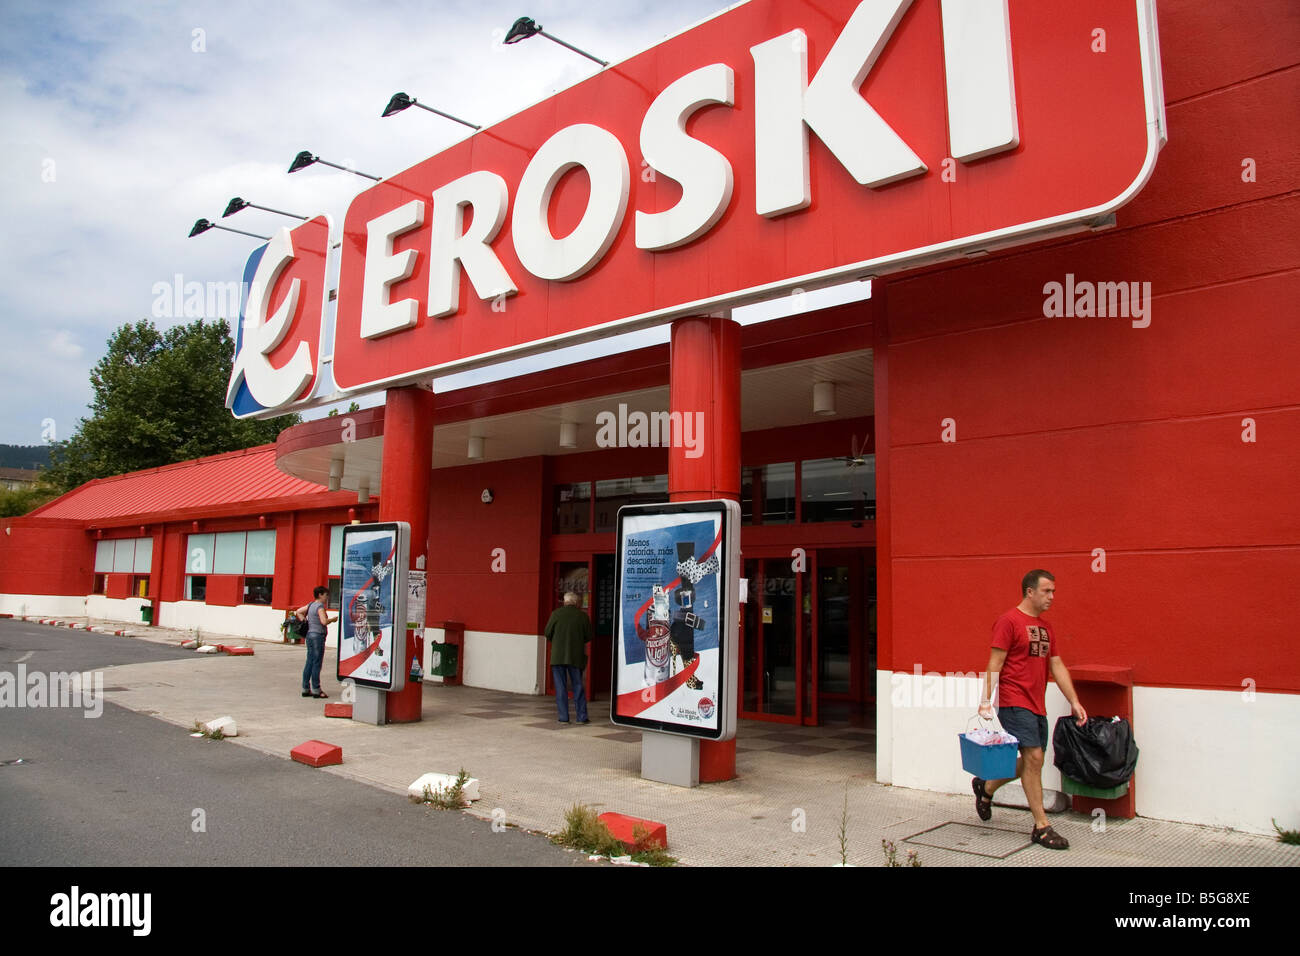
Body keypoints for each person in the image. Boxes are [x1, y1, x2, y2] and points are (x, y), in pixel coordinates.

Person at [973, 570, 1087, 850]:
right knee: (1034, 756)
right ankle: (1042, 827)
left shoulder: (1046, 628)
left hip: (1037, 704)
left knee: (1031, 762)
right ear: (1029, 592)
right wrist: (985, 700)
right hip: (1014, 700)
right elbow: (995, 663)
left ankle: (986, 787)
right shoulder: (1008, 621)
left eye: (1054, 592)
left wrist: (1074, 700)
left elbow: (1057, 665)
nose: (1052, 597)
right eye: (1047, 591)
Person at [544, 591, 591, 724]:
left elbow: (547, 632)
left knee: (560, 688)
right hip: (576, 657)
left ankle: (563, 717)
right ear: (576, 602)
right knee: (578, 686)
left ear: (564, 602)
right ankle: (582, 717)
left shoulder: (556, 614)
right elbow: (588, 636)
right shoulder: (582, 616)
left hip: (558, 656)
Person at [297, 586, 338, 699]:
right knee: (317, 663)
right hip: (318, 637)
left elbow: (298, 612)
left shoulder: (310, 605)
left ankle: (305, 688)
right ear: (320, 595)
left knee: (309, 662)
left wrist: (305, 621)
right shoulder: (320, 606)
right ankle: (316, 689)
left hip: (309, 635)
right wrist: (333, 620)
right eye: (326, 595)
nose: (327, 597)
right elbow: (323, 622)